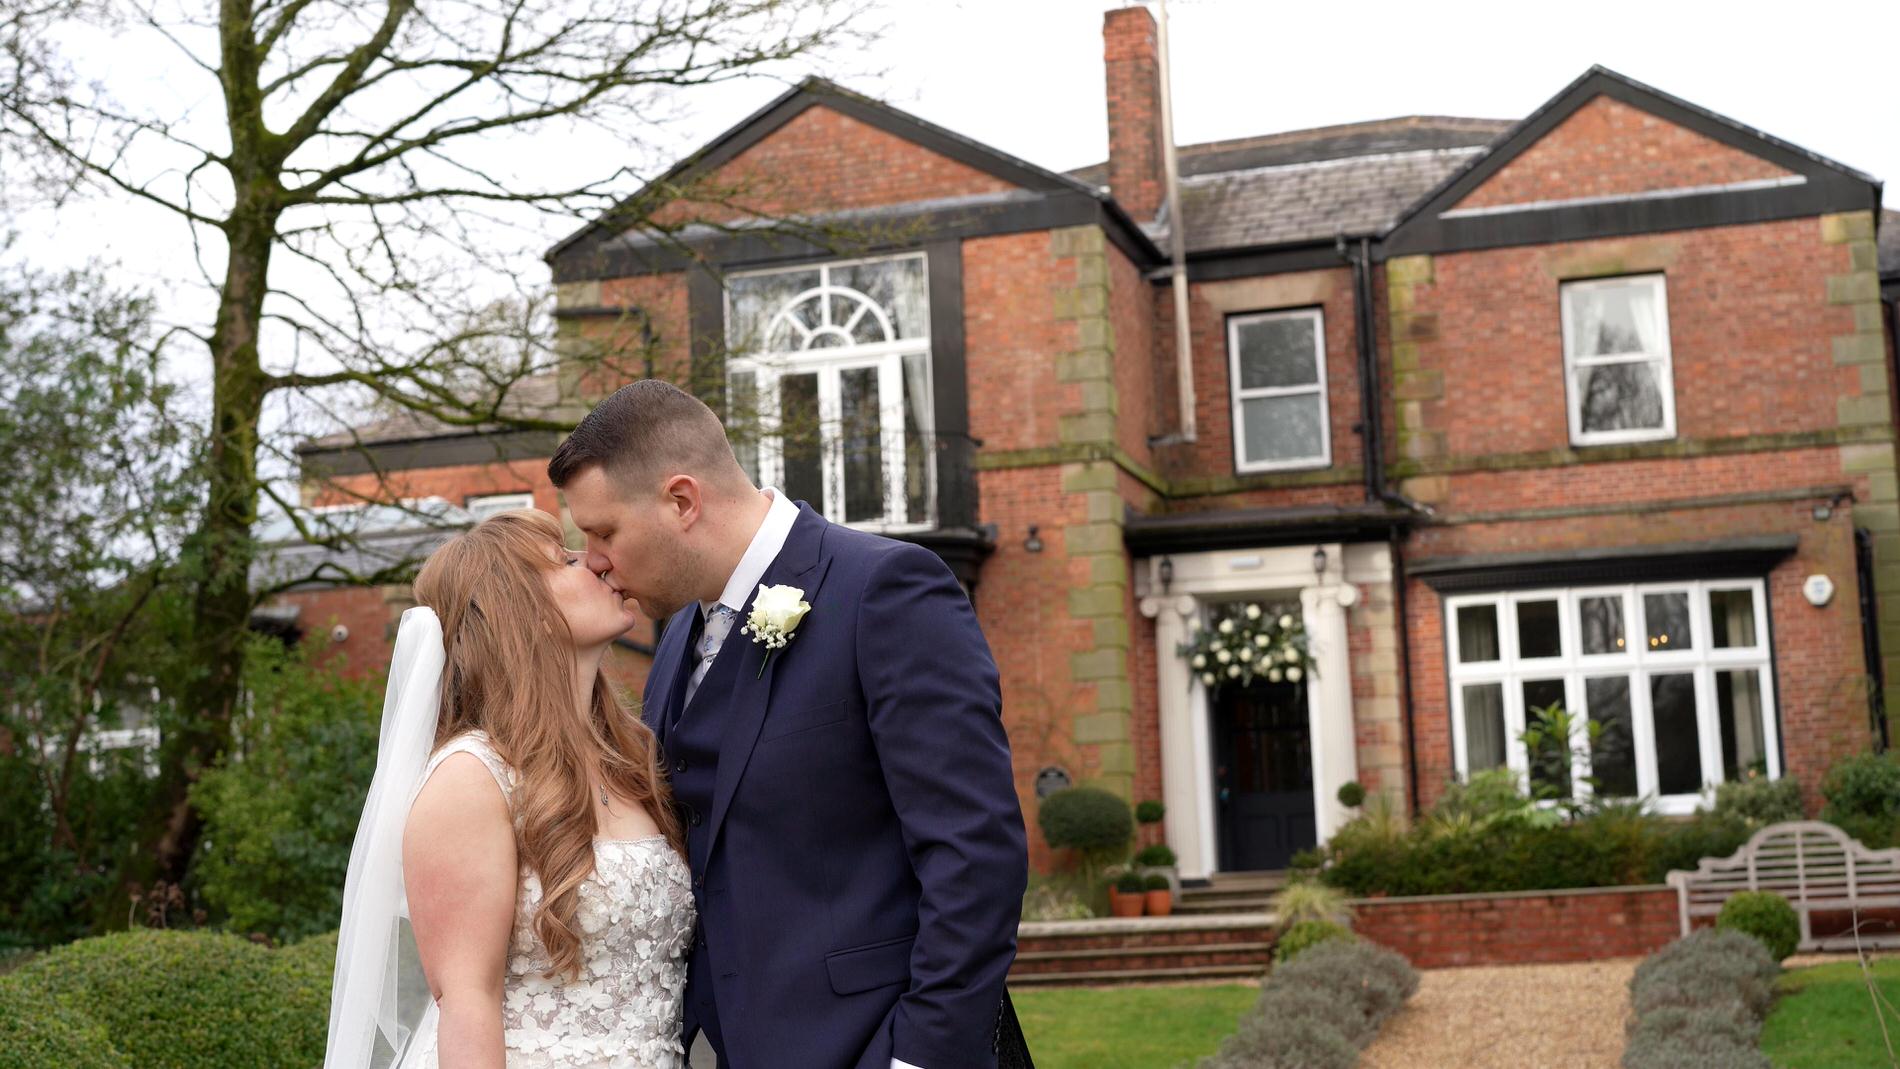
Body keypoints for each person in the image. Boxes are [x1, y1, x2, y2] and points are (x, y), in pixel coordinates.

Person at [550, 379, 1028, 1069]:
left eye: (603, 531)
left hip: (877, 1045)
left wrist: (921, 1057)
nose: (593, 559)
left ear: (681, 500)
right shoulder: (677, 634)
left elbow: (975, 853)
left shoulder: (886, 591)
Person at [324, 508, 696, 1069]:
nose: (596, 562)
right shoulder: (471, 779)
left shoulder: (633, 759)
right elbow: (467, 1000)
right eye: (565, 560)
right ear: (527, 613)